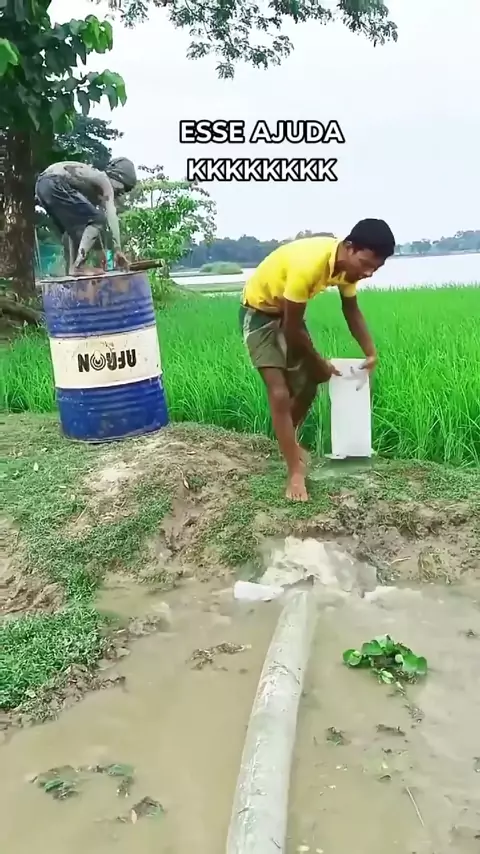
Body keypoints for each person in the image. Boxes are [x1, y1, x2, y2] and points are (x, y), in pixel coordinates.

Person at [240, 219, 395, 502]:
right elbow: (291, 328)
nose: (368, 273)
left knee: (310, 383)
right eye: (365, 264)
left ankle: (287, 443)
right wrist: (318, 362)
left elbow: (351, 310)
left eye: (375, 268)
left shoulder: (349, 270)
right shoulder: (309, 264)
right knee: (279, 391)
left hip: (288, 314)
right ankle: (294, 471)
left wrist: (370, 351)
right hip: (260, 313)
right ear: (349, 247)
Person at [35, 157, 137, 275]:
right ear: (117, 177)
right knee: (98, 219)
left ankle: (73, 268)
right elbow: (111, 216)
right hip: (53, 182)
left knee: (76, 228)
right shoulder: (104, 180)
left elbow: (81, 226)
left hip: (42, 186)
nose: (121, 193)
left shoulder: (88, 185)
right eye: (123, 188)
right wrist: (118, 249)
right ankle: (79, 266)